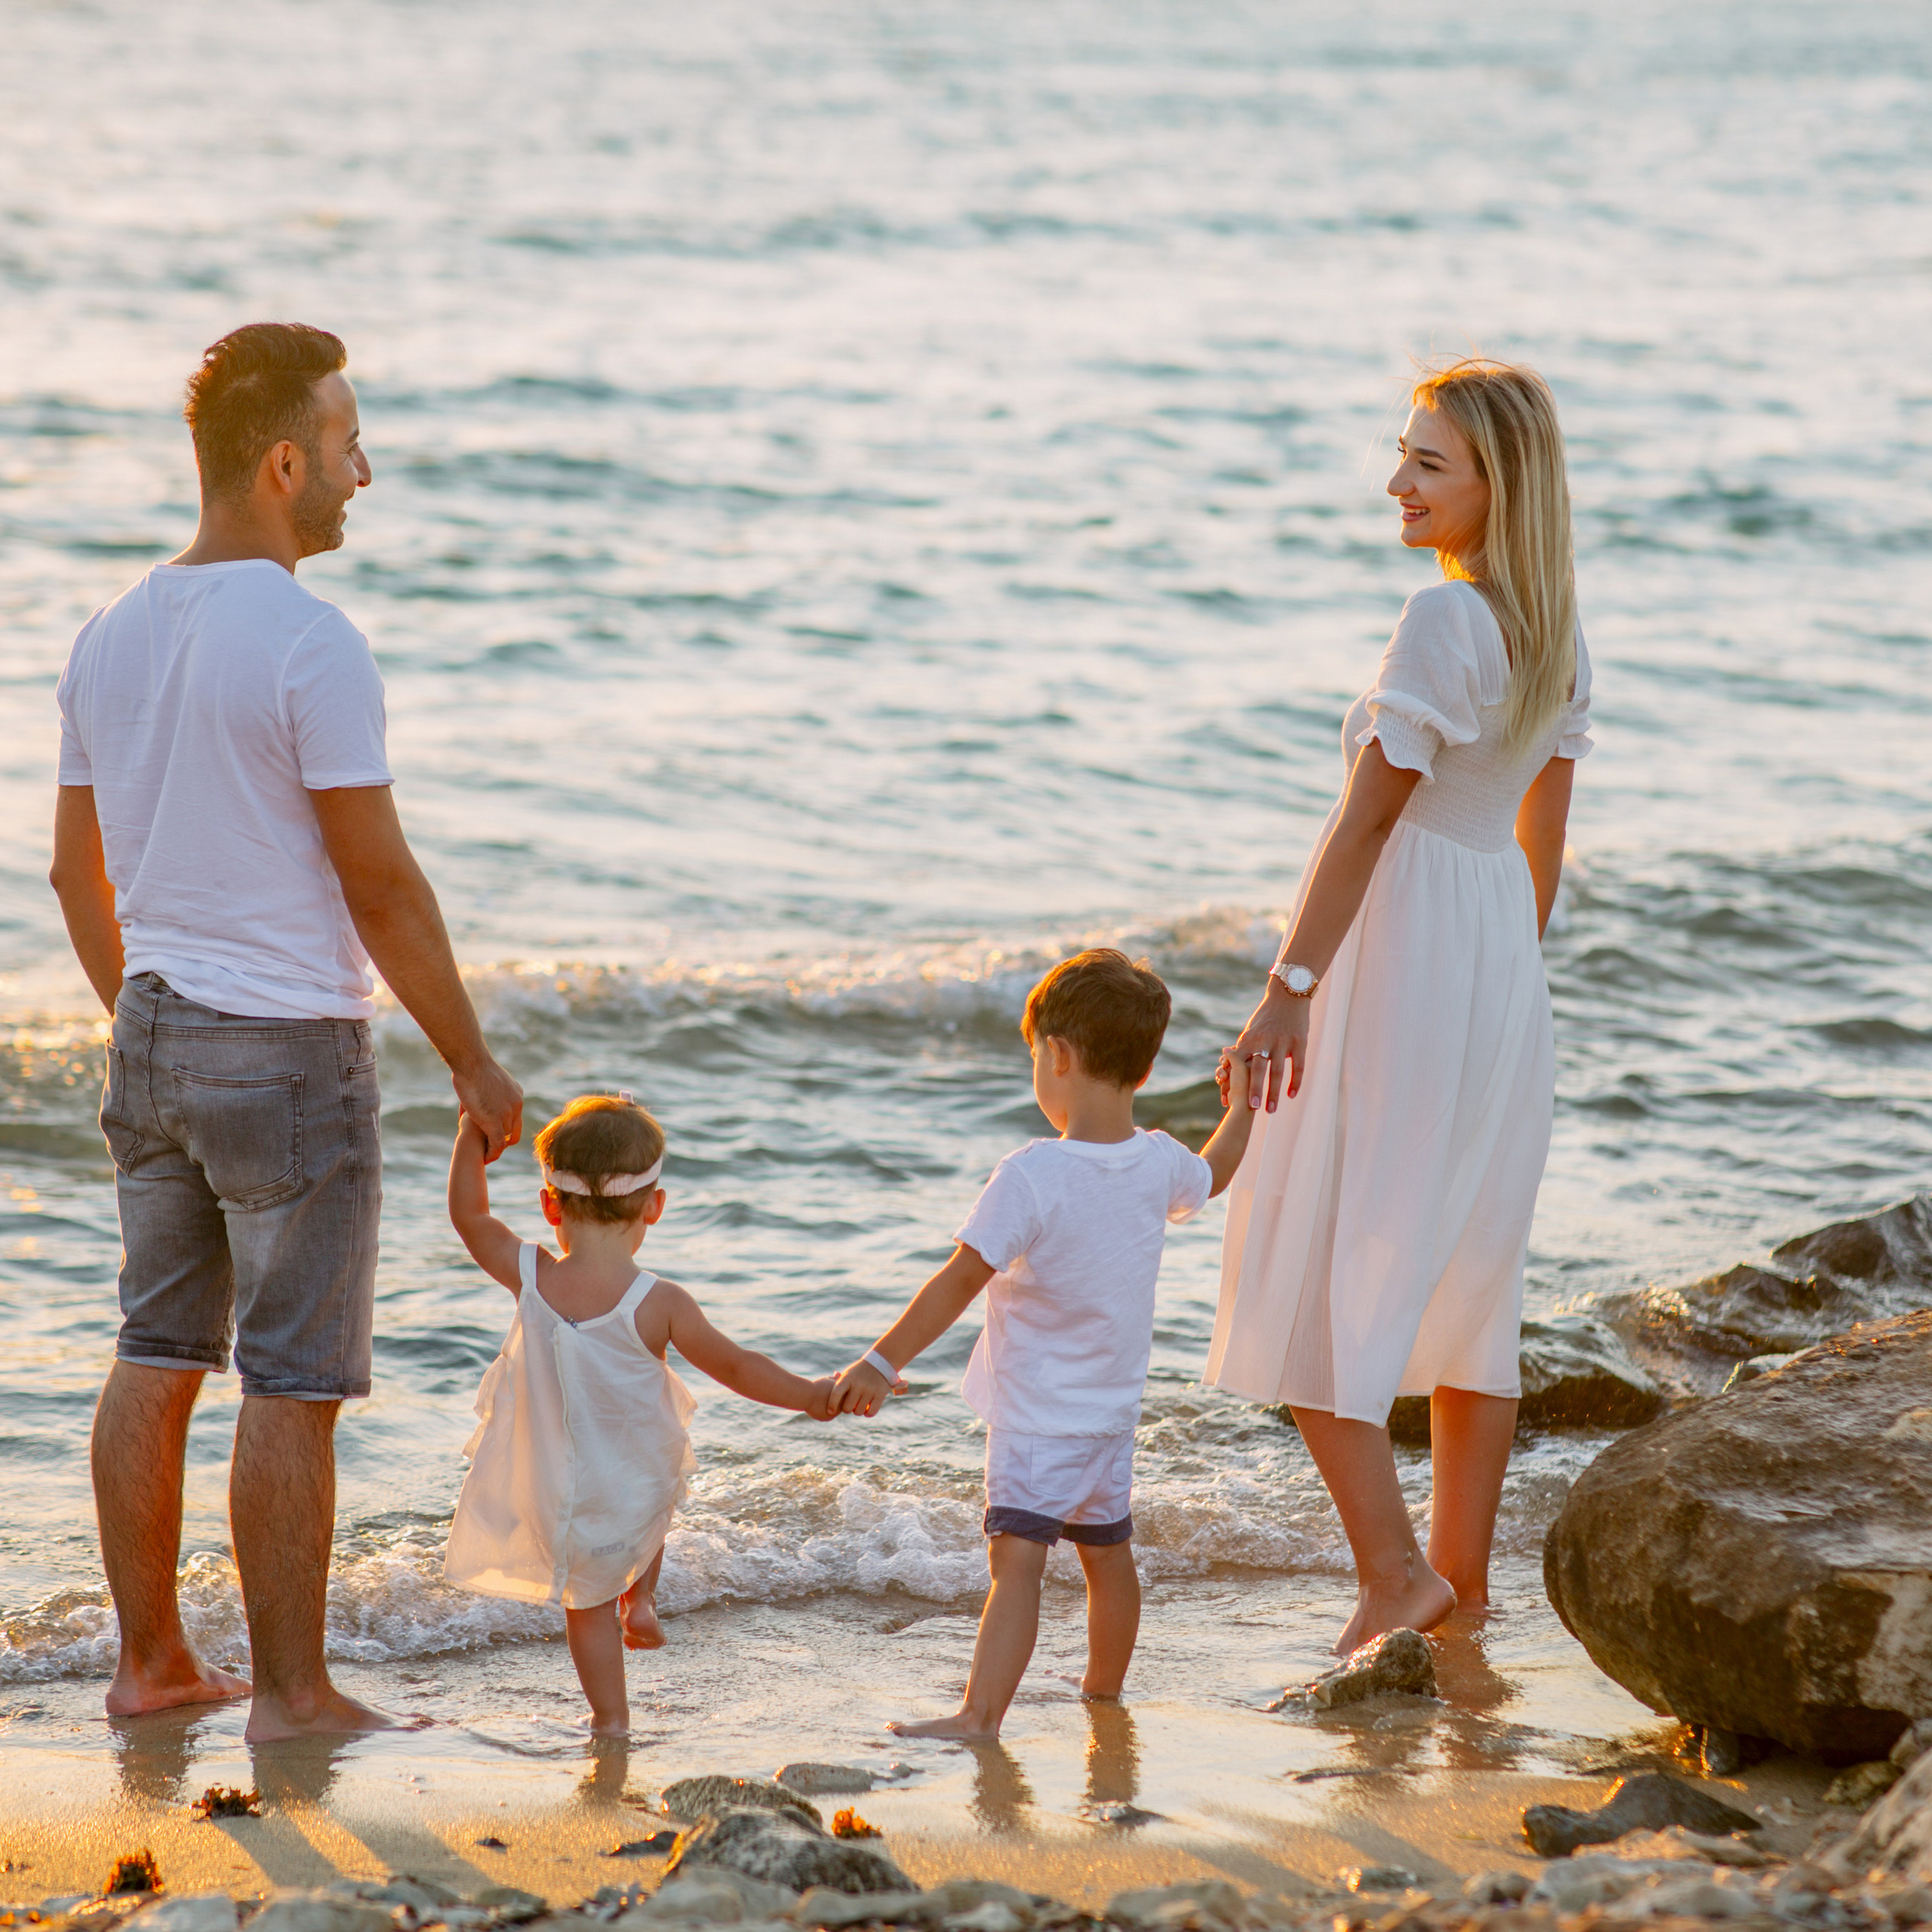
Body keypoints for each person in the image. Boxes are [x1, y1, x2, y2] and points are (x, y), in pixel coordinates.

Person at [48, 323, 524, 1739]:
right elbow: (379, 883)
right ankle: (296, 1697)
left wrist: (148, 1018)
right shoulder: (313, 643)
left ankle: (151, 1670)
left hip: (150, 1031)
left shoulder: (107, 633)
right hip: (291, 1050)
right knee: (294, 1383)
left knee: (154, 1352)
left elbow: (78, 877)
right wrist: (473, 1058)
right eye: (346, 444)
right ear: (280, 463)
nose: (362, 472)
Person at [1207, 358, 1592, 1655]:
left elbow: (1369, 820)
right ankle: (1459, 1586)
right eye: (1404, 455)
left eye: (1428, 464)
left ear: (1499, 484)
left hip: (1407, 952)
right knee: (1475, 1282)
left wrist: (1287, 992)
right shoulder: (1557, 628)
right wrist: (1501, 987)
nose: (1398, 484)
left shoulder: (1443, 624)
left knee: (1317, 1259)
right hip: (1497, 962)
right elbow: (1543, 844)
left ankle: (1390, 1576)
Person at [832, 949, 1257, 1740]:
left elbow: (958, 1281)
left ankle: (979, 1714)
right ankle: (1102, 1689)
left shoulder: (1031, 1174)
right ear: (1145, 1063)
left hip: (1035, 1422)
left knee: (1016, 1567)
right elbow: (1215, 1170)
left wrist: (881, 1360)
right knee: (1108, 1557)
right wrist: (1244, 1106)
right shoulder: (1158, 1159)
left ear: (1056, 1055)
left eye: (1035, 1053)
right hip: (1111, 1418)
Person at [445, 1094, 838, 1735]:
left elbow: (469, 1214)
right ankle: (645, 1598)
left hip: (555, 1491)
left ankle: (611, 1719)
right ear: (654, 1206)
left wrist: (471, 1131)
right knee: (652, 1496)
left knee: (586, 1606)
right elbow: (739, 1367)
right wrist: (813, 1395)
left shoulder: (531, 1276)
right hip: (631, 1483)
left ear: (550, 1206)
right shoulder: (660, 1302)